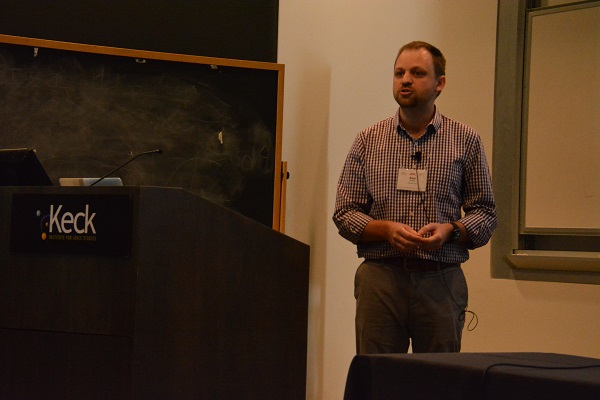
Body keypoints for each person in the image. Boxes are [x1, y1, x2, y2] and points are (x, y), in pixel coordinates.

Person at [332, 41, 497, 354]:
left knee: (438, 383)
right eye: (399, 73)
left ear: (440, 83)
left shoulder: (465, 140)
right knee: (378, 380)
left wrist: (452, 231)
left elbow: (485, 214)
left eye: (417, 73)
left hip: (441, 280)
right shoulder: (368, 140)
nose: (405, 79)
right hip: (380, 279)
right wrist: (385, 230)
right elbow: (344, 212)